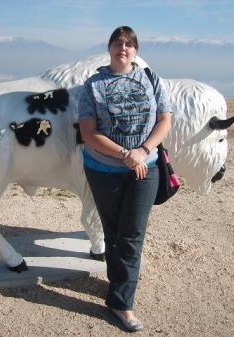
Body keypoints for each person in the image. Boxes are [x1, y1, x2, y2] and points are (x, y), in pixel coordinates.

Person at [78, 26, 172, 332]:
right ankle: (118, 286)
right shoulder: (93, 84)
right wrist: (125, 155)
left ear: (136, 50)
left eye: (129, 44)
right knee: (114, 232)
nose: (124, 48)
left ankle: (122, 304)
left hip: (147, 167)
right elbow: (88, 132)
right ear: (109, 48)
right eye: (118, 43)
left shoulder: (150, 77)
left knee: (131, 234)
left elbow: (164, 120)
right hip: (104, 169)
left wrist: (143, 151)